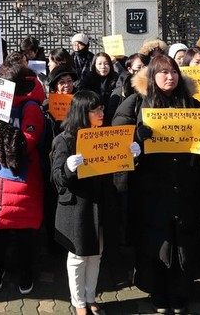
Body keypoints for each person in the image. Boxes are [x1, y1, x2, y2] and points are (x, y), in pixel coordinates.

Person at [112, 54, 200, 313]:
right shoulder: (135, 103)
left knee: (184, 239)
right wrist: (135, 136)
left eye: (174, 72)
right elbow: (117, 142)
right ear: (152, 76)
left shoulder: (192, 103)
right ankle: (157, 290)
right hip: (149, 188)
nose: (170, 77)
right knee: (155, 241)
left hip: (185, 185)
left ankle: (180, 291)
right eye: (164, 72)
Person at [52, 90, 125, 315]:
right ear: (83, 112)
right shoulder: (64, 139)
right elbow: (56, 179)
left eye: (102, 108)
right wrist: (68, 168)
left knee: (96, 254)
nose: (102, 113)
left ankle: (90, 296)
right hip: (77, 209)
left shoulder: (105, 136)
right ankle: (78, 302)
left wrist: (131, 156)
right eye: (96, 110)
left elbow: (117, 167)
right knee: (77, 256)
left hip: (100, 205)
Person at [0, 63, 47, 295]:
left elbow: (24, 146)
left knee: (24, 234)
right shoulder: (1, 105)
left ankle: (26, 274)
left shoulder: (31, 108)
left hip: (23, 180)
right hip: (0, 180)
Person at [80, 53, 119, 122]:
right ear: (94, 65)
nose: (103, 67)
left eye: (106, 63)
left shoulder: (116, 78)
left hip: (112, 116)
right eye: (99, 64)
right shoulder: (87, 79)